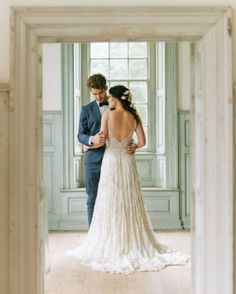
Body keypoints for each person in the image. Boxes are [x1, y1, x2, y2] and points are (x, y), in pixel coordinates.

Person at [67, 85, 189, 273]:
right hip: (127, 160)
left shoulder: (107, 114)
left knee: (110, 200)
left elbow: (101, 138)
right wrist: (133, 146)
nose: (108, 100)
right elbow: (142, 142)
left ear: (116, 98)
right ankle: (131, 238)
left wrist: (88, 146)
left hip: (111, 161)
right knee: (129, 199)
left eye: (110, 98)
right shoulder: (134, 117)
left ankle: (112, 239)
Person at [78, 74, 136, 226]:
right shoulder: (86, 110)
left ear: (106, 88)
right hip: (94, 160)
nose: (98, 96)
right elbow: (80, 134)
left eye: (100, 93)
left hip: (116, 160)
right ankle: (93, 235)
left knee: (116, 198)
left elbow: (126, 128)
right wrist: (91, 140)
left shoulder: (116, 105)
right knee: (92, 198)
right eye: (94, 94)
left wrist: (131, 143)